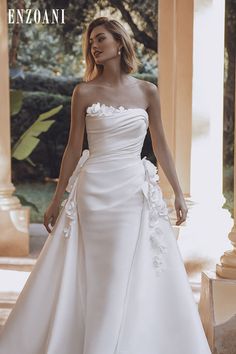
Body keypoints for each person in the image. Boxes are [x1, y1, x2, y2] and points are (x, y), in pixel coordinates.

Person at [0, 16, 212, 354]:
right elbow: (73, 148)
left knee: (122, 270)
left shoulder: (147, 91)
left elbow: (160, 146)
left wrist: (178, 193)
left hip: (132, 192)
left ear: (119, 41)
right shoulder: (83, 92)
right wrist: (57, 198)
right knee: (96, 273)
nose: (94, 47)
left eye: (100, 39)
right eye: (91, 42)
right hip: (92, 192)